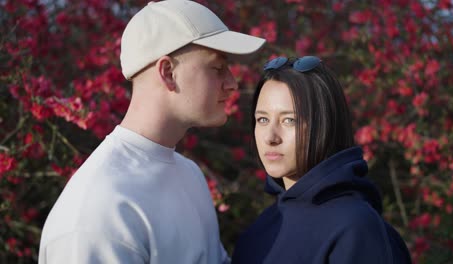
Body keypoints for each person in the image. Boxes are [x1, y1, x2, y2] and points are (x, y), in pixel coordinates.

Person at [39, 1, 265, 263]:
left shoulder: (190, 174)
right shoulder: (99, 211)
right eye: (217, 68)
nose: (232, 83)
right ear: (168, 72)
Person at [231, 56, 412, 264]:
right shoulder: (258, 231)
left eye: (289, 120)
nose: (270, 137)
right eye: (262, 119)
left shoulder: (355, 227)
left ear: (324, 125)